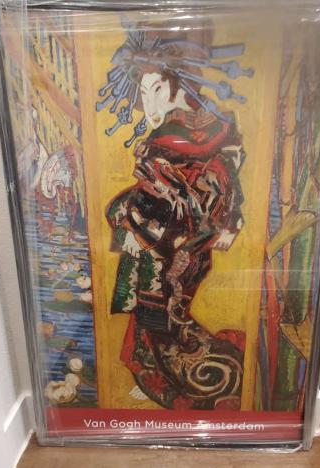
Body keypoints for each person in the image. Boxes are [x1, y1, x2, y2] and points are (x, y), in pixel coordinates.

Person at [99, 24, 252, 410]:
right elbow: (223, 182)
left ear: (169, 84)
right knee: (160, 311)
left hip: (177, 240)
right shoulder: (213, 127)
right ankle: (168, 374)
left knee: (161, 313)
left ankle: (179, 381)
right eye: (142, 93)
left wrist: (130, 214)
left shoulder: (174, 138)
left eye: (150, 91)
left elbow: (203, 187)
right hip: (187, 235)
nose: (146, 107)